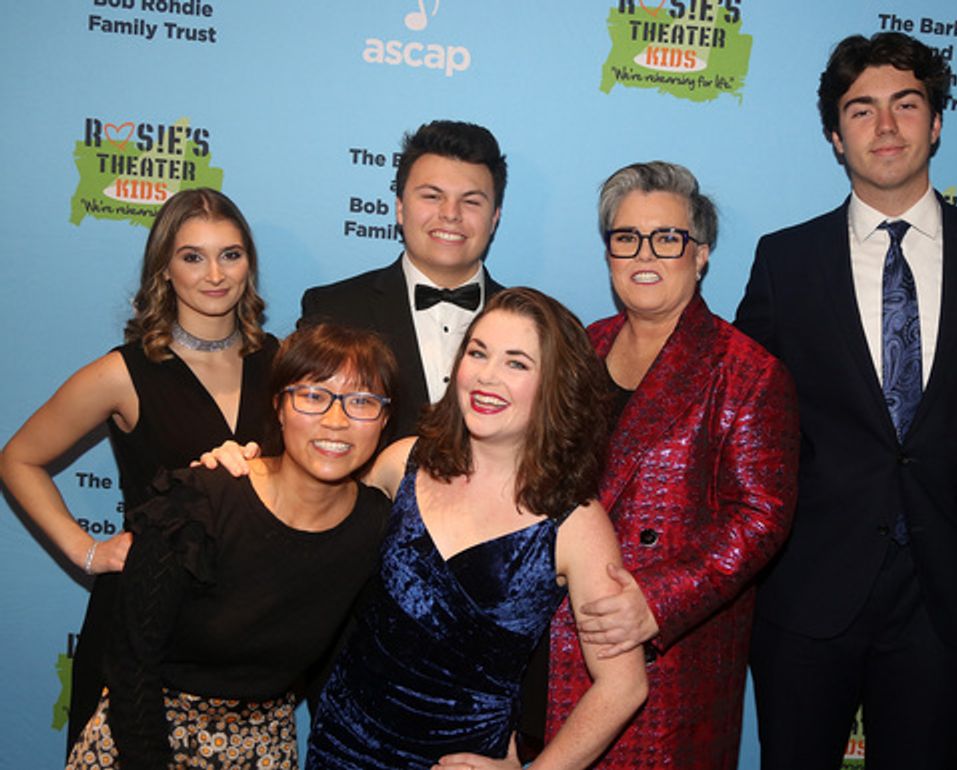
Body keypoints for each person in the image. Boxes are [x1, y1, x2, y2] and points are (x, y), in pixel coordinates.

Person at [734, 32, 957, 768]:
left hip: (949, 590)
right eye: (861, 109)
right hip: (809, 590)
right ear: (835, 137)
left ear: (935, 123)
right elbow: (741, 414)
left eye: (905, 105)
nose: (885, 126)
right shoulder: (786, 259)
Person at [206, 288, 646, 769]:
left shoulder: (575, 523)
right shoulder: (402, 463)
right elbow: (304, 519)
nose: (487, 375)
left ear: (556, 385)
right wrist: (246, 470)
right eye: (477, 353)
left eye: (516, 363)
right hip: (342, 744)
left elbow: (623, 684)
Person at [0, 188, 279, 754]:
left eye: (230, 254)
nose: (215, 274)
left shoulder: (281, 362)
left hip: (244, 630)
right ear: (164, 270)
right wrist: (86, 551)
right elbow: (18, 459)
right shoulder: (123, 374)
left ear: (249, 264)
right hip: (143, 629)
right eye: (192, 256)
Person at [545, 161, 800, 768]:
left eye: (667, 238)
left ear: (701, 254)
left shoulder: (748, 371)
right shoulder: (581, 347)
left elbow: (761, 517)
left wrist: (657, 601)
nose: (644, 254)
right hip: (555, 639)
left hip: (669, 656)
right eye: (626, 237)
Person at [64, 323, 399, 768]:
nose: (336, 420)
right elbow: (131, 666)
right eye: (313, 395)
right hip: (143, 739)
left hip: (263, 748)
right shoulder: (197, 503)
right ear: (279, 406)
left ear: (385, 419)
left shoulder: (376, 528)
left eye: (362, 401)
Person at [300, 120, 507, 439]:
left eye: (471, 201)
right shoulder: (333, 310)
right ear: (399, 208)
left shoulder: (534, 328)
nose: (451, 214)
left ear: (494, 218)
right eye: (432, 196)